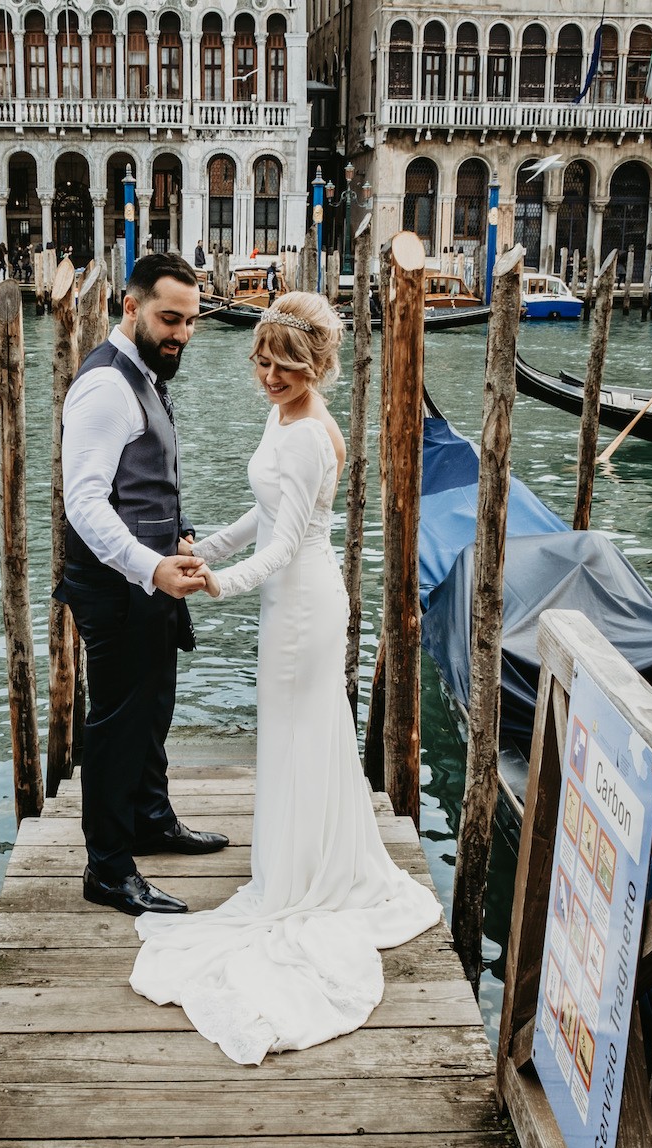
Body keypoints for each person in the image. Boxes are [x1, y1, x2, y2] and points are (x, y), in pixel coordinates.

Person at [129, 291, 442, 1065]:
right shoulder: (285, 418)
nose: (269, 375)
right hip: (286, 596)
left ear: (317, 366)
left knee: (302, 732)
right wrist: (208, 543)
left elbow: (286, 544)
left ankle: (304, 875)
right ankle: (295, 858)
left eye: (285, 365)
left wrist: (215, 585)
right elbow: (262, 515)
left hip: (301, 604)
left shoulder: (310, 438)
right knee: (295, 734)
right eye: (261, 360)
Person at [56, 252, 227, 919]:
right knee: (117, 724)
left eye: (190, 320)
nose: (181, 332)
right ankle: (107, 866)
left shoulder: (146, 372)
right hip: (118, 587)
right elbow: (86, 502)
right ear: (130, 308)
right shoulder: (104, 387)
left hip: (152, 583)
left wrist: (177, 537)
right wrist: (149, 564)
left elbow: (150, 480)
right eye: (169, 318)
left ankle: (151, 819)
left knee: (153, 706)